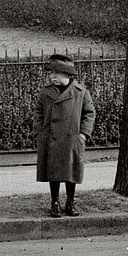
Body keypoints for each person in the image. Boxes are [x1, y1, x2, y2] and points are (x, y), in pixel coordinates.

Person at [36, 54, 95, 216]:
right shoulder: (45, 93)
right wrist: (40, 132)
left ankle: (71, 201)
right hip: (51, 137)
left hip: (72, 138)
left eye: (57, 73)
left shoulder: (81, 92)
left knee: (71, 171)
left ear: (67, 74)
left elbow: (89, 114)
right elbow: (38, 112)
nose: (52, 76)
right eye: (51, 73)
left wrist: (83, 134)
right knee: (53, 172)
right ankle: (54, 202)